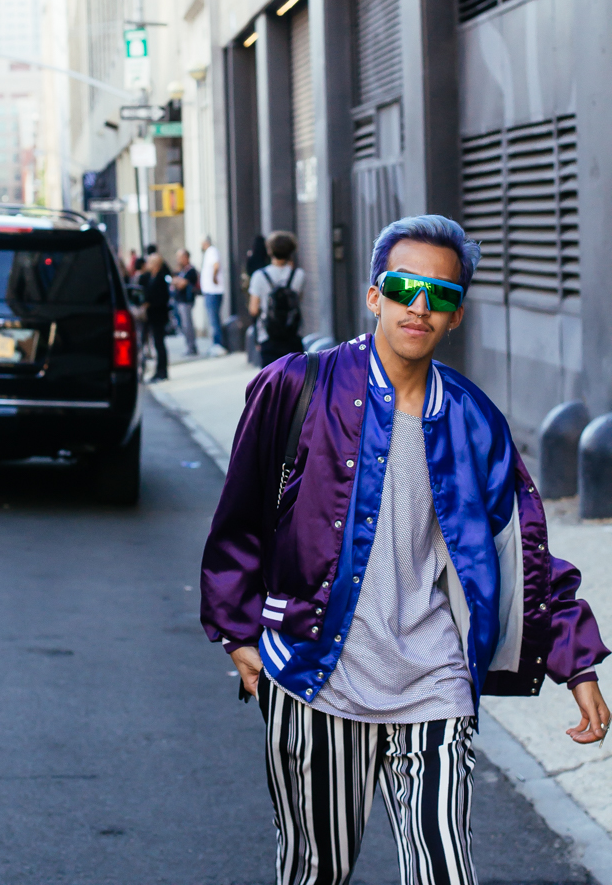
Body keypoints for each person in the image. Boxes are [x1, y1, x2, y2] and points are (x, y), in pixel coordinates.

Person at [201, 214, 609, 885]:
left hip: (433, 681)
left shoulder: (474, 420)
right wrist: (236, 633)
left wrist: (577, 661)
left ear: (456, 316)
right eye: (402, 286)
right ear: (373, 296)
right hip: (313, 676)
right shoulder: (296, 386)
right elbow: (238, 519)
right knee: (314, 871)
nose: (418, 306)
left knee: (445, 872)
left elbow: (524, 554)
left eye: (440, 295)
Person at [248, 230, 305, 367]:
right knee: (295, 382)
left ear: (270, 251)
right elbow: (298, 301)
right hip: (292, 335)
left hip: (268, 337)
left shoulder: (259, 276)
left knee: (271, 383)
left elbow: (254, 310)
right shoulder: (298, 274)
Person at [139, 251, 170, 382]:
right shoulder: (148, 277)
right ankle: (158, 370)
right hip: (152, 316)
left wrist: (149, 304)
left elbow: (162, 298)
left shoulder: (161, 278)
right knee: (155, 344)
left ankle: (162, 371)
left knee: (159, 343)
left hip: (159, 316)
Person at [200, 236, 227, 357]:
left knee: (214, 319)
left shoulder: (212, 251)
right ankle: (216, 344)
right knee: (213, 319)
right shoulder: (209, 252)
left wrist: (214, 278)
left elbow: (216, 265)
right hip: (210, 291)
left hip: (213, 291)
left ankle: (218, 345)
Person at [172, 248, 199, 357]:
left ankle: (191, 347)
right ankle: (189, 346)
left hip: (187, 301)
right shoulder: (182, 270)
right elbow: (175, 282)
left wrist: (177, 282)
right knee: (184, 325)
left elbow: (181, 284)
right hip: (180, 301)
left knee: (188, 325)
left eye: (180, 257)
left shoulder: (191, 271)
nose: (178, 260)